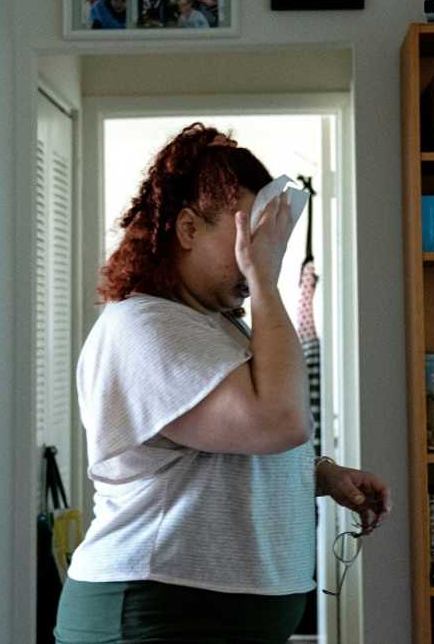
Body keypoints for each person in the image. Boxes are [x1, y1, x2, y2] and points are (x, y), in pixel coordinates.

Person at [54, 124, 390, 644]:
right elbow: (280, 421)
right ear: (187, 229)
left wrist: (320, 475)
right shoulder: (145, 326)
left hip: (197, 614)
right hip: (153, 612)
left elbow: (225, 450)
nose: (256, 254)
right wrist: (265, 281)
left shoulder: (214, 321)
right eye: (244, 240)